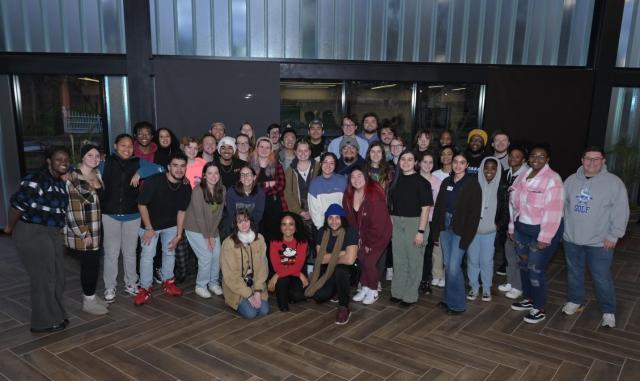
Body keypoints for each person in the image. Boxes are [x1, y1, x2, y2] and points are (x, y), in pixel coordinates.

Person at [561, 146, 629, 328]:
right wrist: (561, 231)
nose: (591, 162)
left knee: (601, 277)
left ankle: (608, 310)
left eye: (596, 159)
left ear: (603, 161)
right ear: (582, 160)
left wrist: (614, 235)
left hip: (600, 242)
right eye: (588, 158)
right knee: (574, 273)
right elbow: (561, 207)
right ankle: (576, 300)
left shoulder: (614, 183)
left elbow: (621, 211)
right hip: (572, 239)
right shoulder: (570, 181)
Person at [5, 146, 71, 332]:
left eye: (66, 159)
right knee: (44, 277)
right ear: (49, 161)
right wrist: (10, 227)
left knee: (58, 277)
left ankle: (56, 314)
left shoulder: (58, 180)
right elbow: (17, 204)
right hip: (32, 231)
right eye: (59, 159)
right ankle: (43, 322)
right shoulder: (37, 179)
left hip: (52, 232)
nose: (63, 162)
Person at [100, 134, 164, 303]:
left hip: (132, 215)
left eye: (129, 146)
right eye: (123, 145)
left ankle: (131, 283)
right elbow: (84, 168)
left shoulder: (138, 162)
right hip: (110, 215)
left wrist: (140, 172)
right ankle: (110, 287)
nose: (127, 149)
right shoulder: (105, 163)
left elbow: (160, 169)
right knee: (111, 253)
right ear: (115, 146)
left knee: (129, 253)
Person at [509, 144, 564, 324]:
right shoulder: (523, 175)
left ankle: (539, 308)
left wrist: (545, 238)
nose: (536, 159)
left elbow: (554, 211)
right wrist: (512, 227)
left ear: (547, 159)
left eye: (542, 156)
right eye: (534, 155)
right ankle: (529, 299)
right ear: (529, 157)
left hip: (541, 231)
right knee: (523, 265)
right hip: (522, 229)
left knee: (535, 270)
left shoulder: (553, 179)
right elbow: (513, 204)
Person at [134, 152, 192, 305]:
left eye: (182, 166)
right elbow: (142, 204)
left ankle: (168, 282)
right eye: (175, 165)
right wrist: (148, 228)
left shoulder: (186, 186)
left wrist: (179, 234)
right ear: (168, 167)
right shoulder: (154, 181)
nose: (179, 169)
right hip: (149, 225)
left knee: (170, 253)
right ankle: (145, 288)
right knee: (147, 256)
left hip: (171, 225)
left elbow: (182, 211)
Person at [432, 152, 482, 314]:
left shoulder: (473, 184)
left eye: (462, 162)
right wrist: (435, 233)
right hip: (445, 228)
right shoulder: (446, 181)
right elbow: (439, 208)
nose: (458, 165)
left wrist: (467, 239)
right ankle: (448, 300)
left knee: (454, 267)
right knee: (447, 265)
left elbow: (474, 216)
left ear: (467, 165)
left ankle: (458, 304)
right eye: (455, 162)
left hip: (461, 230)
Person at [64, 144, 108, 315]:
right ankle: (88, 302)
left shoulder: (97, 174)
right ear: (82, 157)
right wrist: (83, 232)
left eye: (97, 156)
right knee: (89, 265)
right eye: (90, 155)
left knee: (93, 264)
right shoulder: (74, 178)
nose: (94, 159)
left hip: (98, 229)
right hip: (85, 232)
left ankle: (90, 295)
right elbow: (72, 210)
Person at [388, 150, 433, 306]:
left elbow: (426, 209)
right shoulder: (395, 180)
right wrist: (392, 221)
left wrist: (420, 232)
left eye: (410, 159)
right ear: (399, 162)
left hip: (415, 224)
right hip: (398, 223)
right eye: (403, 159)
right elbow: (392, 205)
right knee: (399, 259)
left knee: (414, 261)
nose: (406, 162)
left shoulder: (422, 182)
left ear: (415, 162)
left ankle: (410, 295)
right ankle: (398, 291)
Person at [343, 168, 391, 304]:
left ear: (366, 177)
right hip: (362, 234)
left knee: (369, 261)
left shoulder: (374, 195)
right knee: (362, 259)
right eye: (353, 177)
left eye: (359, 176)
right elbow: (349, 219)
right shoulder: (348, 194)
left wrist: (369, 243)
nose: (356, 179)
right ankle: (365, 286)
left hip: (379, 234)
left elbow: (378, 224)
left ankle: (373, 289)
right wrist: (356, 237)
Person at [304, 204, 358, 324]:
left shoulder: (350, 231)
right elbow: (321, 259)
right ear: (326, 219)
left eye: (337, 217)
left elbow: (350, 260)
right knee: (319, 297)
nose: (334, 221)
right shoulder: (322, 232)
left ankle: (344, 307)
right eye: (330, 218)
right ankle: (337, 290)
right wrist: (342, 252)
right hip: (328, 270)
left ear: (342, 219)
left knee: (340, 269)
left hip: (348, 271)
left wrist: (331, 257)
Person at [466, 157, 508, 302]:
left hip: (490, 231)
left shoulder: (502, 187)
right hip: (473, 231)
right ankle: (474, 287)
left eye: (493, 168)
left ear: (498, 170)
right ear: (482, 168)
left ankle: (486, 288)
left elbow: (506, 209)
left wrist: (499, 224)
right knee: (472, 259)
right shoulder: (474, 184)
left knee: (486, 261)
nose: (489, 171)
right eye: (486, 167)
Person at [184, 162, 226, 298]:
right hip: (195, 228)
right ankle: (200, 285)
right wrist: (207, 237)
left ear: (219, 175)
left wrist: (212, 234)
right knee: (206, 256)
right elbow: (199, 216)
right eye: (210, 173)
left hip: (211, 228)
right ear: (204, 175)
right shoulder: (198, 190)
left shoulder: (222, 189)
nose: (213, 176)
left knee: (216, 254)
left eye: (216, 173)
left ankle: (213, 283)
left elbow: (219, 214)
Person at [220, 208, 269, 319]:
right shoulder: (228, 244)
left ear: (251, 221)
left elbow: (263, 267)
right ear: (235, 224)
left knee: (264, 311)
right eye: (240, 221)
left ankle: (254, 295)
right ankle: (231, 300)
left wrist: (257, 291)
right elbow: (231, 277)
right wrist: (249, 296)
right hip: (236, 287)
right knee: (251, 314)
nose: (244, 224)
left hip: (255, 284)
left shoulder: (260, 239)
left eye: (246, 220)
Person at [497, 146, 529, 299]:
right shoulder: (506, 173)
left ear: (523, 160)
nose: (512, 159)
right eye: (511, 156)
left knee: (519, 255)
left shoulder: (527, 175)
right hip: (507, 219)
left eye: (517, 157)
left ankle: (518, 286)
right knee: (509, 253)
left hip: (520, 221)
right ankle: (511, 281)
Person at [268, 213, 309, 311]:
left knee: (299, 296)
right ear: (280, 227)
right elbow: (277, 266)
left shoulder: (302, 242)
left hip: (294, 275)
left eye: (291, 224)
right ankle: (283, 305)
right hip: (282, 275)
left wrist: (276, 276)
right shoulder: (274, 242)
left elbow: (298, 266)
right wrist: (299, 274)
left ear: (296, 227)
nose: (287, 227)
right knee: (283, 280)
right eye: (284, 224)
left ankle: (287, 294)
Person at [251, 137, 287, 241]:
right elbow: (249, 187)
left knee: (275, 237)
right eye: (261, 146)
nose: (264, 149)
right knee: (258, 237)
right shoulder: (250, 166)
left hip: (275, 206)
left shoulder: (277, 166)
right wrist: (269, 184)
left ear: (271, 150)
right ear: (256, 148)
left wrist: (260, 187)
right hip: (256, 207)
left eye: (267, 147)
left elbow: (281, 185)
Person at [417, 152, 443, 293]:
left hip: (431, 221)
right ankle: (413, 279)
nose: (427, 165)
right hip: (415, 221)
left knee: (427, 253)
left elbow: (439, 206)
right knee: (415, 252)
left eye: (430, 162)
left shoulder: (437, 182)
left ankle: (425, 280)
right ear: (419, 163)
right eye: (425, 162)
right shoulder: (413, 179)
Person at [284, 139, 319, 234]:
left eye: (306, 150)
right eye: (300, 150)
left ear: (310, 152)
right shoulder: (289, 171)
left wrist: (313, 211)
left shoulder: (318, 167)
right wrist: (300, 211)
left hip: (317, 211)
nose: (303, 153)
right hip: (297, 212)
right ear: (295, 152)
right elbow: (288, 193)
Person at [308, 152, 348, 230]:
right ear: (320, 164)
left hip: (341, 225)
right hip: (322, 226)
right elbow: (314, 210)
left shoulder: (343, 180)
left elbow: (347, 205)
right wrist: (321, 228)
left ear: (335, 165)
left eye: (331, 163)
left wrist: (342, 224)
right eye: (325, 162)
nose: (328, 166)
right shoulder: (314, 184)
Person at [225, 166, 266, 233]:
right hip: (235, 228)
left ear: (254, 177)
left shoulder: (260, 193)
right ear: (240, 179)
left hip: (252, 228)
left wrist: (248, 228)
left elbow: (258, 215)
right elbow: (231, 214)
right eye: (242, 174)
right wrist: (239, 228)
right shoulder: (231, 192)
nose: (245, 177)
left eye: (249, 174)